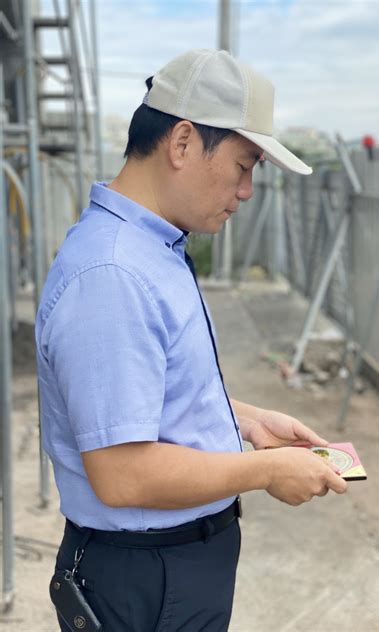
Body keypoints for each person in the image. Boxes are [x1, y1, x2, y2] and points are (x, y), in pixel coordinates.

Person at [36, 49, 347, 632]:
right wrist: (266, 470)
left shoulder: (152, 247)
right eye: (243, 164)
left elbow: (146, 397)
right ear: (182, 143)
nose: (248, 189)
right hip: (145, 579)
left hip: (170, 566)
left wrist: (244, 421)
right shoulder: (112, 275)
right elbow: (124, 473)